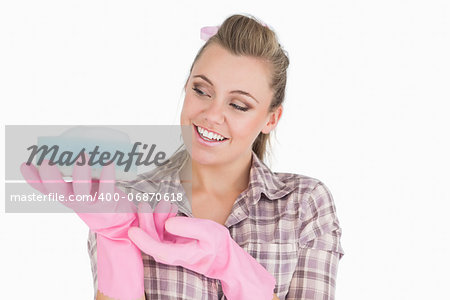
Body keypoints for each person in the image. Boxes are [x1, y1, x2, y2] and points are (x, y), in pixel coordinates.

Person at [85, 14, 345, 299]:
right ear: (186, 87)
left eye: (238, 105)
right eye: (201, 90)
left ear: (272, 119)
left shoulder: (304, 205)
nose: (211, 115)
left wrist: (237, 271)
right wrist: (118, 252)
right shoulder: (126, 205)